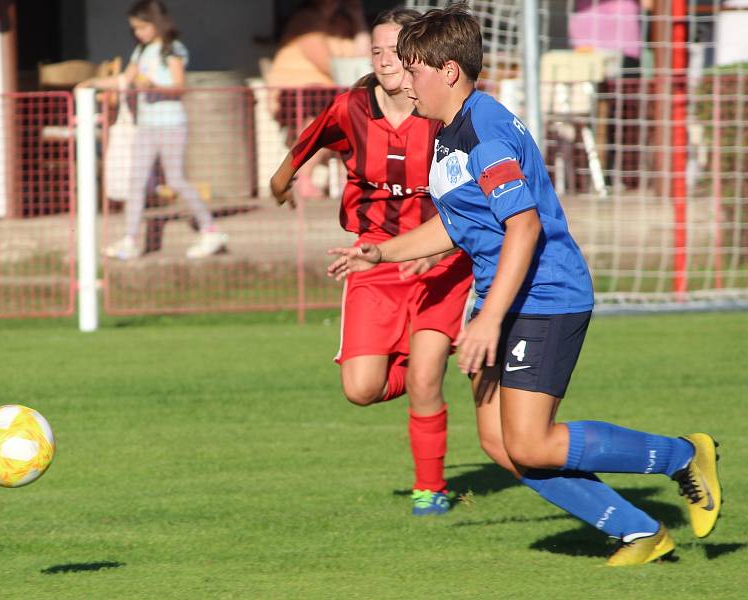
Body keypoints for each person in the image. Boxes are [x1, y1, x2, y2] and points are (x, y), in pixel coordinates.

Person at [327, 4, 721, 564]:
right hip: (502, 296)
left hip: (543, 297)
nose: (405, 84)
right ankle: (641, 531)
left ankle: (682, 455)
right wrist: (381, 252)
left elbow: (524, 225)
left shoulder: (483, 133)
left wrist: (487, 318)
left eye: (412, 71)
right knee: (501, 445)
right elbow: (458, 221)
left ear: (448, 72)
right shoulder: (451, 132)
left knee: (532, 441)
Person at [270, 8, 474, 516]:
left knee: (427, 379)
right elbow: (309, 140)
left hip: (442, 264)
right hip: (373, 261)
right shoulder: (352, 107)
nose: (386, 60)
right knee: (361, 389)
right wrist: (281, 179)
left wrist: (442, 249)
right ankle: (419, 362)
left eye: (395, 51)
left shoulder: (447, 112)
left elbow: (476, 197)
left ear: (416, 55)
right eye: (377, 51)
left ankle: (431, 489)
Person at [78, 0, 228, 260]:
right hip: (146, 126)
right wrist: (94, 82)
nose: (139, 33)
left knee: (175, 179)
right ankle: (130, 239)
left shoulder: (172, 50)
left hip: (171, 125)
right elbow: (125, 79)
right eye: (135, 29)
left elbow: (179, 86)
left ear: (157, 23)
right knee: (135, 183)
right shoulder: (140, 51)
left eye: (143, 27)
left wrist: (153, 85)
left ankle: (210, 229)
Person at [266, 0, 369, 199]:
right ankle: (303, 178)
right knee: (326, 126)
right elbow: (331, 65)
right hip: (299, 96)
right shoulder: (307, 21)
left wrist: (358, 19)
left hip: (327, 95)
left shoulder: (338, 25)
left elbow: (364, 62)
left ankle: (343, 179)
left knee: (350, 122)